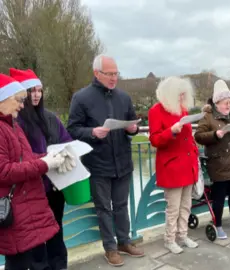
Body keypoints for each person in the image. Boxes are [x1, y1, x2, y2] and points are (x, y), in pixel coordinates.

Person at [67, 55, 144, 266]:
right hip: (98, 164)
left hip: (123, 163)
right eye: (109, 74)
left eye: (116, 73)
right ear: (96, 73)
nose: (113, 78)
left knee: (121, 206)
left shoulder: (124, 97)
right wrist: (92, 132)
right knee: (103, 209)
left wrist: (133, 129)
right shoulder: (81, 98)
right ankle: (110, 248)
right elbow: (72, 130)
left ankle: (124, 242)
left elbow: (132, 124)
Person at [0, 74, 70, 270]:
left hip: (26, 204)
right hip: (15, 206)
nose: (22, 106)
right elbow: (4, 171)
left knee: (23, 258)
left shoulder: (11, 125)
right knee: (19, 260)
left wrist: (49, 158)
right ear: (2, 99)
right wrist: (45, 163)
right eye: (19, 100)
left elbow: (27, 158)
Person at [148, 76, 199, 254]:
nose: (182, 98)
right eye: (179, 95)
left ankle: (183, 235)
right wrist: (171, 131)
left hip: (187, 164)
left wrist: (195, 155)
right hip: (172, 167)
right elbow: (154, 139)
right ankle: (170, 239)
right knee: (173, 208)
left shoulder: (182, 110)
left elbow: (188, 138)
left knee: (186, 205)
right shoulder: (156, 110)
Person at [194, 79, 230, 240]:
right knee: (219, 196)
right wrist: (215, 135)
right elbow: (198, 136)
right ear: (217, 102)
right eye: (226, 102)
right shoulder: (208, 116)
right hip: (219, 163)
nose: (228, 105)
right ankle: (217, 224)